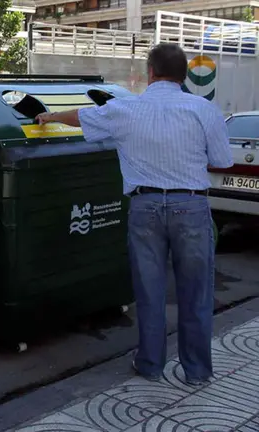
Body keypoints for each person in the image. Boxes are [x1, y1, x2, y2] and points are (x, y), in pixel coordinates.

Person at [35, 43, 233, 386]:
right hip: (191, 206)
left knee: (149, 291)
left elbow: (82, 116)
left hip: (145, 207)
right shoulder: (204, 109)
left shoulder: (124, 109)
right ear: (184, 75)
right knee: (196, 293)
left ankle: (150, 365)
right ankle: (197, 372)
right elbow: (222, 160)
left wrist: (48, 117)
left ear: (150, 72)